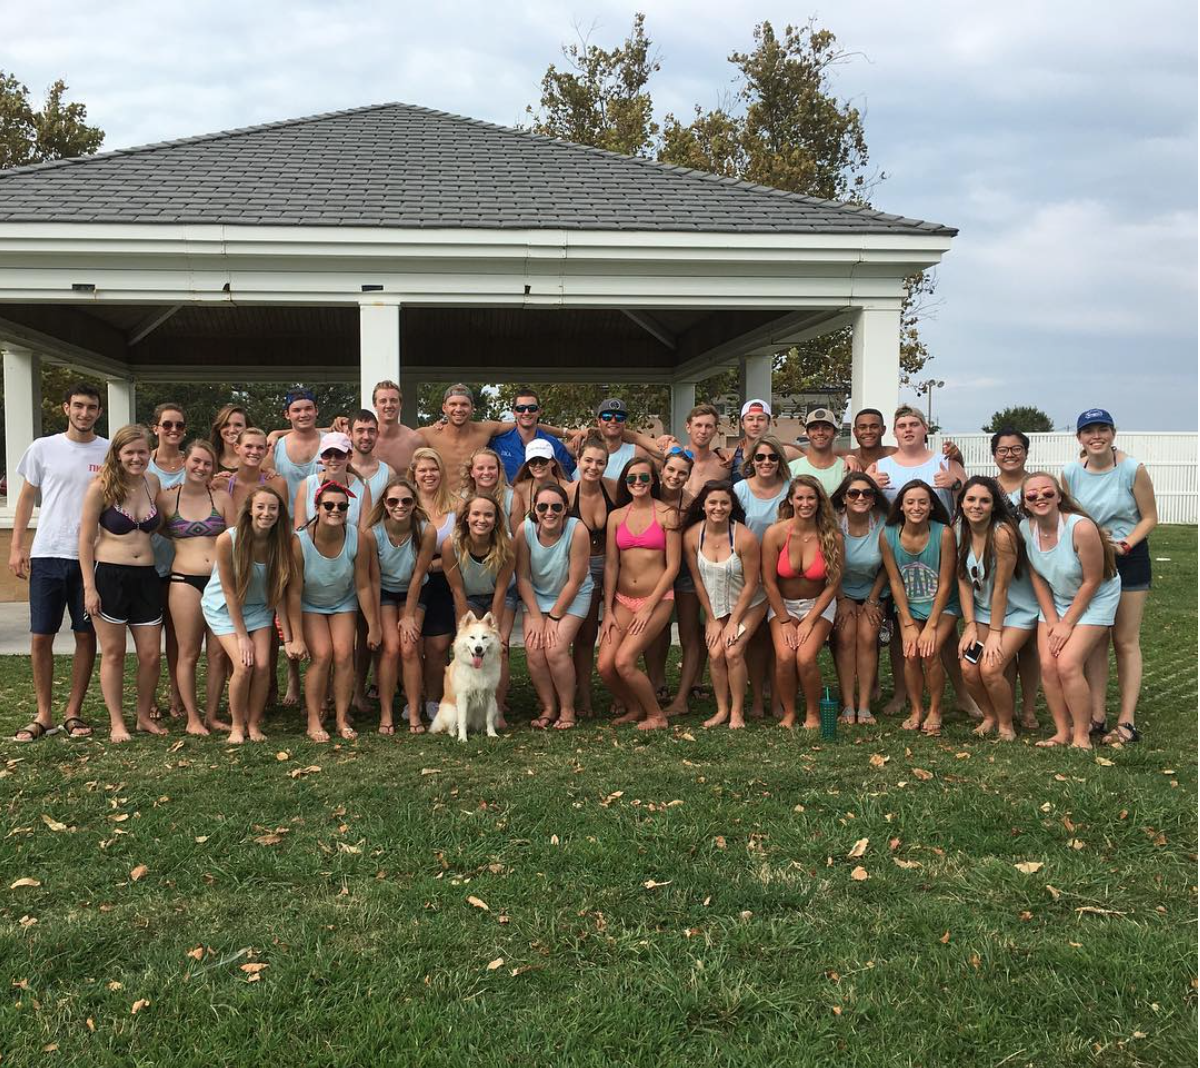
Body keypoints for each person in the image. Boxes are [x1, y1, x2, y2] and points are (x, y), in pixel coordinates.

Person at [9, 382, 109, 742]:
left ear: (99, 412)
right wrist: (17, 546)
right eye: (78, 406)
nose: (85, 413)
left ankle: (73, 713)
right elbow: (25, 498)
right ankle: (44, 715)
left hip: (92, 558)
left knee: (85, 636)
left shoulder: (109, 451)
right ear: (66, 408)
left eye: (92, 407)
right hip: (48, 553)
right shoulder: (43, 448)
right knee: (41, 637)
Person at [1062, 409, 1157, 745]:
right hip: (1091, 563)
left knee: (1125, 640)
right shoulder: (1071, 473)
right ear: (1080, 438)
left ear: (1113, 433)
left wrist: (1125, 545)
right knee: (1096, 641)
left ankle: (1127, 721)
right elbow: (1069, 515)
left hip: (1128, 559)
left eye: (1102, 429)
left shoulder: (1132, 469)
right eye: (1089, 431)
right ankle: (1097, 716)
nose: (1096, 436)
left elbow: (1149, 517)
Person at [1020, 472, 1121, 749]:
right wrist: (1052, 619)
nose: (1040, 498)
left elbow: (1093, 579)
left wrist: (1067, 624)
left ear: (1059, 497)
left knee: (1067, 664)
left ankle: (1082, 735)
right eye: (1032, 495)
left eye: (1047, 493)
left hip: (1096, 596)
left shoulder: (1081, 528)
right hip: (1058, 598)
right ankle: (1062, 732)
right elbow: (1037, 576)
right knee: (1048, 665)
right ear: (1025, 503)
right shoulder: (1025, 529)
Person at [78, 425, 164, 743]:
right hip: (110, 576)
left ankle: (143, 716)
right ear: (117, 454)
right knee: (113, 653)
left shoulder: (152, 483)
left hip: (147, 578)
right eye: (129, 452)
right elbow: (85, 541)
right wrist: (89, 587)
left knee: (152, 654)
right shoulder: (101, 488)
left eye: (142, 452)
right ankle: (117, 722)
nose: (137, 458)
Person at [202, 487, 301, 743]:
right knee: (244, 665)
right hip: (224, 608)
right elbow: (229, 591)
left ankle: (254, 724)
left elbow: (278, 592)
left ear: (280, 514)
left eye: (272, 508)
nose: (266, 513)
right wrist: (242, 636)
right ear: (249, 510)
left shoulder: (281, 543)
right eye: (260, 507)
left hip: (259, 609)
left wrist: (288, 637)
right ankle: (237, 726)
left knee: (264, 666)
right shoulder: (228, 539)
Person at [288, 481, 379, 742]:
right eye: (328, 505)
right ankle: (314, 719)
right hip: (310, 604)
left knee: (343, 655)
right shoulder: (300, 541)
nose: (335, 510)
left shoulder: (356, 537)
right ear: (317, 507)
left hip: (342, 602)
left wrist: (373, 625)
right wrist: (296, 635)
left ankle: (341, 717)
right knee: (322, 654)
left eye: (342, 506)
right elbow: (293, 592)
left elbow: (363, 584)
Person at [597, 457, 681, 730]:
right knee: (606, 667)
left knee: (624, 661)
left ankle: (657, 715)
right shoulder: (616, 516)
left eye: (644, 478)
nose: (637, 483)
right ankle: (634, 706)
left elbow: (673, 567)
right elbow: (611, 564)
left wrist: (648, 606)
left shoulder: (668, 514)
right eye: (631, 478)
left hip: (656, 599)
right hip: (622, 599)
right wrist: (608, 610)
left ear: (653, 480)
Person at [158, 439, 235, 736]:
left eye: (207, 463)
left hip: (218, 581)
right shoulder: (167, 500)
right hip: (183, 580)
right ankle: (192, 717)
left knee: (218, 653)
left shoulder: (222, 499)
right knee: (188, 652)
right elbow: (155, 527)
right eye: (196, 461)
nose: (201, 467)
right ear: (185, 463)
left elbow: (235, 539)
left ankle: (213, 714)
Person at [954, 476, 1039, 741]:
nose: (976, 506)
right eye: (971, 499)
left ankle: (1006, 724)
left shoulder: (1003, 534)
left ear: (993, 505)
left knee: (990, 669)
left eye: (984, 500)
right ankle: (989, 715)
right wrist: (969, 625)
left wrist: (994, 632)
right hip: (982, 613)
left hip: (1015, 614)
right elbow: (963, 580)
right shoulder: (958, 528)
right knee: (968, 668)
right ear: (962, 503)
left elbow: (1001, 589)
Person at [761, 476, 843, 730]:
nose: (805, 503)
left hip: (818, 604)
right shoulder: (775, 533)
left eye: (811, 498)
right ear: (790, 500)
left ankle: (813, 712)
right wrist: (785, 620)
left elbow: (833, 585)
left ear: (819, 501)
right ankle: (789, 712)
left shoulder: (832, 536)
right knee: (785, 656)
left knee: (805, 657)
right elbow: (768, 581)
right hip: (783, 605)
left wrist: (809, 621)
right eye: (800, 498)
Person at [683, 482, 766, 730]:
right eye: (712, 502)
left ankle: (737, 712)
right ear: (703, 505)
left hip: (750, 604)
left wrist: (732, 623)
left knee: (732, 651)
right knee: (715, 653)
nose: (718, 508)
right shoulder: (692, 536)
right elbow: (698, 581)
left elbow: (752, 584)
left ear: (732, 506)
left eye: (724, 503)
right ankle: (721, 709)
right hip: (717, 607)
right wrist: (711, 618)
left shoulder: (744, 537)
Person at [879, 480, 959, 736]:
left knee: (930, 650)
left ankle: (935, 709)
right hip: (909, 606)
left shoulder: (943, 533)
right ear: (901, 506)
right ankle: (916, 709)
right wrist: (909, 623)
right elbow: (894, 581)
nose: (917, 507)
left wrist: (931, 625)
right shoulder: (888, 535)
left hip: (942, 606)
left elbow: (946, 584)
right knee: (911, 652)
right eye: (910, 502)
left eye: (923, 502)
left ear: (931, 505)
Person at [516, 483, 593, 729]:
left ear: (565, 509)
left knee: (556, 648)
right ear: (535, 509)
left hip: (574, 593)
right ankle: (548, 706)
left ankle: (568, 709)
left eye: (556, 507)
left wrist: (555, 616)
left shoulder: (577, 529)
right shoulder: (525, 530)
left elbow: (576, 579)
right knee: (534, 649)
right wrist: (538, 617)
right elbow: (523, 577)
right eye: (543, 506)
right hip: (538, 595)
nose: (549, 512)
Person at [362, 476, 436, 735]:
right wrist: (373, 624)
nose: (400, 505)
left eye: (406, 500)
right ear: (385, 503)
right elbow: (373, 578)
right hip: (384, 591)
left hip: (415, 590)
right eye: (393, 501)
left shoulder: (426, 530)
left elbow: (418, 574)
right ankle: (386, 712)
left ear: (415, 503)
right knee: (391, 648)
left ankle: (414, 711)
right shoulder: (373, 534)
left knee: (409, 646)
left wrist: (408, 616)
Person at [443, 493, 518, 724]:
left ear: (496, 520)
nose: (481, 519)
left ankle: (498, 709)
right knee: (468, 646)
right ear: (466, 517)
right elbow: (457, 591)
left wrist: (492, 630)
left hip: (499, 597)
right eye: (476, 513)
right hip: (468, 599)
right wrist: (467, 628)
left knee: (499, 648)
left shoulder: (507, 544)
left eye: (488, 515)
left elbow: (502, 589)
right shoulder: (451, 545)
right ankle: (464, 702)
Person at [732, 434, 792, 720]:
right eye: (760, 457)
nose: (766, 462)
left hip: (785, 576)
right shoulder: (740, 491)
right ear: (751, 461)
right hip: (751, 578)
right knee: (756, 642)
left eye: (772, 457)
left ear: (780, 461)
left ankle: (778, 700)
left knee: (778, 641)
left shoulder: (792, 491)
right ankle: (757, 699)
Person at [419, 383, 568, 493]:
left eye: (464, 404)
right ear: (444, 408)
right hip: (444, 503)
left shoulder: (485, 430)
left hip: (476, 503)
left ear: (472, 408)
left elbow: (526, 423)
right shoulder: (428, 434)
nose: (458, 409)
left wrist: (567, 433)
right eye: (453, 404)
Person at [565, 432, 619, 716]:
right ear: (578, 460)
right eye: (588, 461)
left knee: (614, 629)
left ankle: (619, 690)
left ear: (606, 464)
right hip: (580, 568)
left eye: (600, 462)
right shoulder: (566, 492)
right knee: (585, 635)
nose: (593, 467)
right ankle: (583, 695)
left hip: (611, 563)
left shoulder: (613, 490)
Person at [830, 472, 889, 726]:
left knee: (867, 637)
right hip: (839, 590)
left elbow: (888, 566)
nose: (860, 497)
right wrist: (841, 599)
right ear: (844, 498)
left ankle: (864, 706)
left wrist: (873, 600)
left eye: (867, 493)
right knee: (845, 638)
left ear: (874, 499)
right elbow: (828, 567)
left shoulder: (884, 524)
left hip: (873, 591)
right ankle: (847, 705)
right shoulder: (832, 524)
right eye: (853, 493)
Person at [654, 447, 707, 715]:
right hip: (654, 572)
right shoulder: (648, 495)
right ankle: (658, 685)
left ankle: (682, 697)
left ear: (688, 477)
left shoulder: (692, 505)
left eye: (681, 473)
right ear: (662, 470)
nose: (675, 476)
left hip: (685, 573)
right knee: (657, 631)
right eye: (671, 470)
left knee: (688, 635)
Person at [409, 447, 460, 721]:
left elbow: (463, 549)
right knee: (412, 643)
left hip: (444, 578)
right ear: (414, 474)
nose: (429, 475)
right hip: (411, 581)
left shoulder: (457, 505)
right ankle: (413, 699)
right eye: (423, 470)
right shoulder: (404, 502)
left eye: (433, 469)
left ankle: (433, 698)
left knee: (438, 646)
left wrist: (431, 565)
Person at [147, 402, 188, 722]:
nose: (173, 431)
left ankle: (176, 693)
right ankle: (149, 697)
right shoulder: (141, 464)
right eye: (167, 425)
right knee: (148, 636)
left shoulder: (194, 465)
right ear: (155, 428)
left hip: (180, 564)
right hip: (146, 561)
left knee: (176, 635)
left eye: (179, 426)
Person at [868, 406, 966, 514]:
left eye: (914, 424)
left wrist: (956, 484)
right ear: (895, 432)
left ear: (926, 428)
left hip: (939, 530)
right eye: (902, 426)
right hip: (891, 530)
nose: (908, 429)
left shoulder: (948, 463)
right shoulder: (877, 468)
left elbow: (969, 505)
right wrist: (869, 487)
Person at [489, 386, 576, 481]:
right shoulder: (499, 444)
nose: (526, 412)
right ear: (514, 412)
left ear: (539, 412)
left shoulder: (554, 444)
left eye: (532, 408)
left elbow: (569, 477)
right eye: (521, 408)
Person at [570, 398, 664, 481]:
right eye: (607, 417)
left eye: (619, 418)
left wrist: (669, 443)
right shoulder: (581, 446)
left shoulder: (635, 452)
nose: (613, 421)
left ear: (625, 423)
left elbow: (665, 463)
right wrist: (568, 432)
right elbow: (555, 450)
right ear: (598, 422)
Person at [294, 431, 368, 528]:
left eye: (339, 454)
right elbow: (300, 529)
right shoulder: (307, 485)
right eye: (327, 454)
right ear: (321, 457)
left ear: (349, 457)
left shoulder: (362, 487)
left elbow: (365, 531)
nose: (333, 459)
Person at [728, 400, 801, 485]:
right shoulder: (732, 455)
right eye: (750, 419)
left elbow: (813, 460)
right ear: (742, 424)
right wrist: (719, 451)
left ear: (768, 423)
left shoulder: (785, 452)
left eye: (761, 419)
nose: (755, 424)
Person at [269, 388, 323, 505]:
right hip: (287, 521)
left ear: (316, 411)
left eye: (308, 408)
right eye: (296, 410)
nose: (303, 414)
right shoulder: (275, 447)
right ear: (287, 414)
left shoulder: (331, 443)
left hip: (325, 519)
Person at [223, 428, 289, 514]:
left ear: (266, 451)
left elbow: (282, 523)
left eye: (260, 448)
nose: (254, 452)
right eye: (248, 446)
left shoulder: (277, 484)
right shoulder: (222, 484)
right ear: (236, 448)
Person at [788, 409, 851, 496]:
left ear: (835, 433)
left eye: (826, 428)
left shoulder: (846, 470)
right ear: (807, 433)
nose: (820, 432)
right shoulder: (792, 470)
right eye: (814, 428)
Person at [509, 439, 571, 525]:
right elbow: (516, 526)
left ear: (553, 462)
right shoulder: (520, 489)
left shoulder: (568, 488)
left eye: (543, 460)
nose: (538, 465)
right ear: (527, 465)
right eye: (533, 461)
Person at [371, 380, 425, 475]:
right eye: (383, 401)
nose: (388, 405)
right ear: (375, 405)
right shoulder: (364, 440)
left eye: (393, 400)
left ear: (401, 405)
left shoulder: (415, 441)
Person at [461, 447, 515, 526]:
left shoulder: (512, 498)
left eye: (491, 468)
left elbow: (518, 537)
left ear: (499, 470)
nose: (486, 472)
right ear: (471, 472)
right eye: (480, 468)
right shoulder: (462, 497)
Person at [349, 409, 392, 507]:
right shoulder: (340, 470)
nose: (366, 437)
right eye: (360, 431)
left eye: (371, 431)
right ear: (349, 434)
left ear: (377, 434)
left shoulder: (388, 474)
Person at [210, 404, 249, 474]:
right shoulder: (208, 459)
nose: (232, 430)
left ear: (247, 428)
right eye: (226, 425)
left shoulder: (256, 460)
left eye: (238, 425)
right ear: (219, 428)